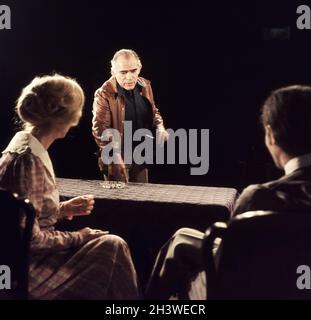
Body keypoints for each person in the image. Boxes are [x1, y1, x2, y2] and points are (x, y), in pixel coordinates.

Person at [145, 84, 311, 299]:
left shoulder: (260, 198)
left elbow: (228, 265)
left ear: (270, 135)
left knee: (181, 246)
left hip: (253, 288)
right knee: (182, 238)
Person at [0, 74, 139, 300]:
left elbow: (19, 215)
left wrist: (62, 209)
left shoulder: (17, 151)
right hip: (25, 271)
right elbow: (31, 240)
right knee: (112, 246)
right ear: (66, 117)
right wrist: (79, 236)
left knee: (110, 246)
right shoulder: (30, 161)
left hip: (17, 261)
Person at [92, 49, 169, 183]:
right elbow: (100, 130)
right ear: (113, 71)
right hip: (117, 159)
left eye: (133, 71)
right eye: (123, 72)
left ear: (139, 68)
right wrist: (114, 158)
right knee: (118, 202)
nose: (130, 77)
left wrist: (160, 127)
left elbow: (154, 112)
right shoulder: (104, 93)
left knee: (142, 201)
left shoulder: (145, 85)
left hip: (141, 157)